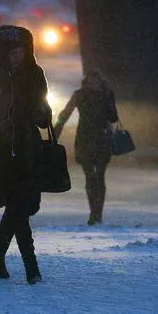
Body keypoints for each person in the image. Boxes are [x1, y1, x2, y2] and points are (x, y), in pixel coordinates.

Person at [0, 25, 52, 284]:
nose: (15, 57)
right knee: (16, 202)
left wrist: (41, 114)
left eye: (19, 52)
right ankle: (31, 266)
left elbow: (44, 109)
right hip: (6, 143)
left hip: (28, 142)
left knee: (21, 204)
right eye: (10, 53)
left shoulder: (35, 73)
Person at [54, 71, 118, 225]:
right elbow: (66, 113)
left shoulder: (106, 94)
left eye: (94, 82)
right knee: (90, 176)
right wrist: (55, 134)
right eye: (89, 82)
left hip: (101, 139)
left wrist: (108, 101)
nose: (92, 85)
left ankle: (97, 214)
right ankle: (94, 214)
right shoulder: (80, 95)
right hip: (86, 139)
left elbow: (113, 117)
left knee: (99, 176)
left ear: (100, 82)